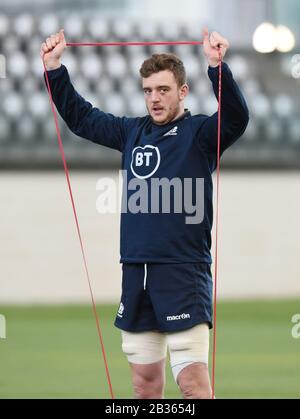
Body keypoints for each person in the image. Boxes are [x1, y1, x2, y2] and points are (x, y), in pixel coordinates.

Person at [41, 28, 249, 399]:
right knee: (144, 388)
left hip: (183, 273)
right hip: (136, 273)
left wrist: (217, 68)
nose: (154, 99)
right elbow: (82, 118)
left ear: (182, 92)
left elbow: (236, 117)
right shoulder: (131, 132)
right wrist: (55, 69)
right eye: (148, 90)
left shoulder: (200, 134)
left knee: (194, 386)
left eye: (163, 90)